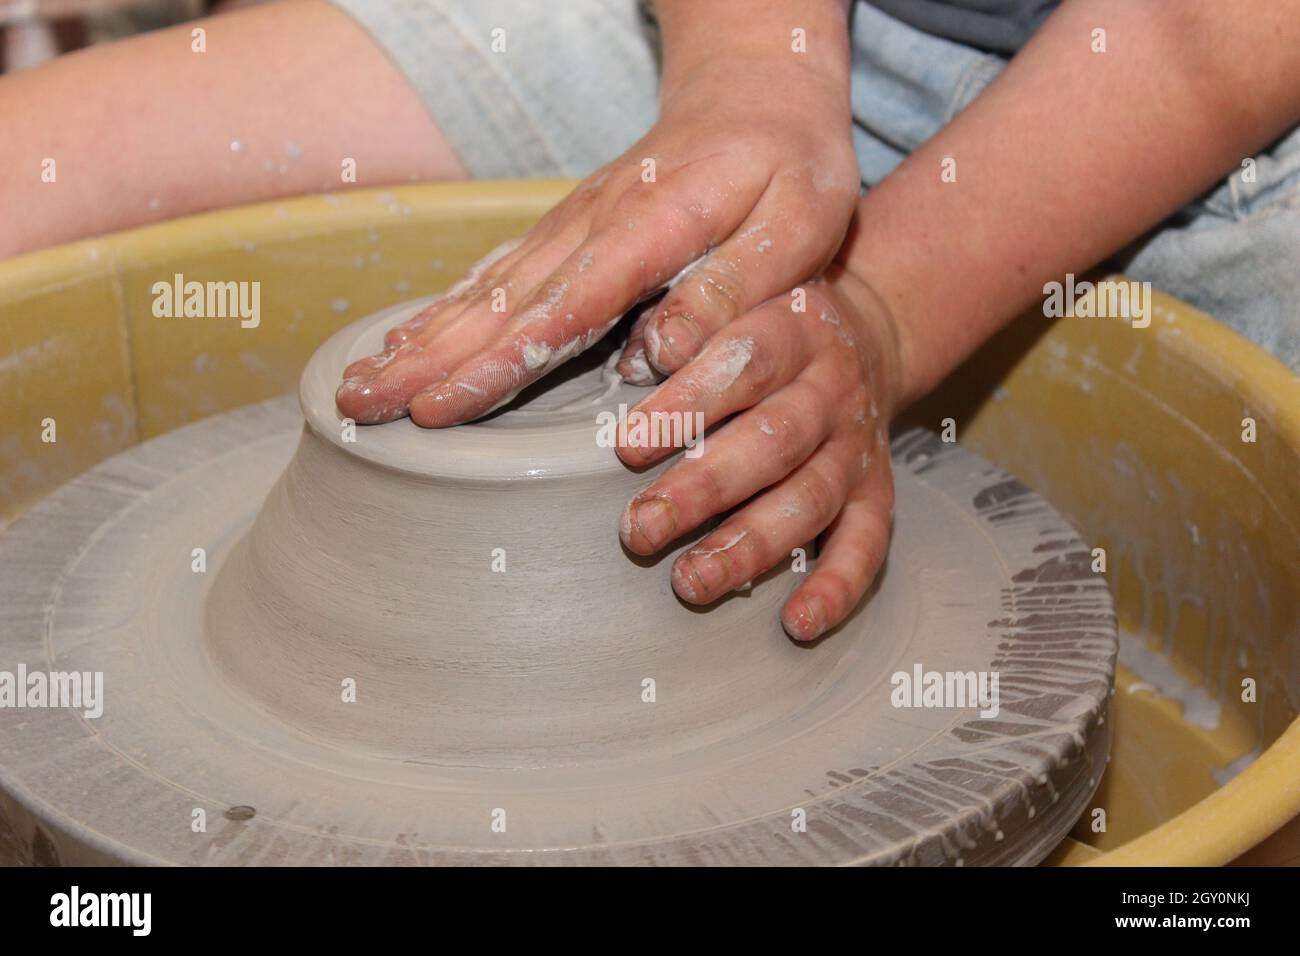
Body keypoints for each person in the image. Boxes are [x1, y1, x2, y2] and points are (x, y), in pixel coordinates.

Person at [4, 0, 1298, 640]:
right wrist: (748, 73)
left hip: (1194, 110)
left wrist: (880, 305)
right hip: (755, 24)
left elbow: (1210, 34)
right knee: (42, 161)